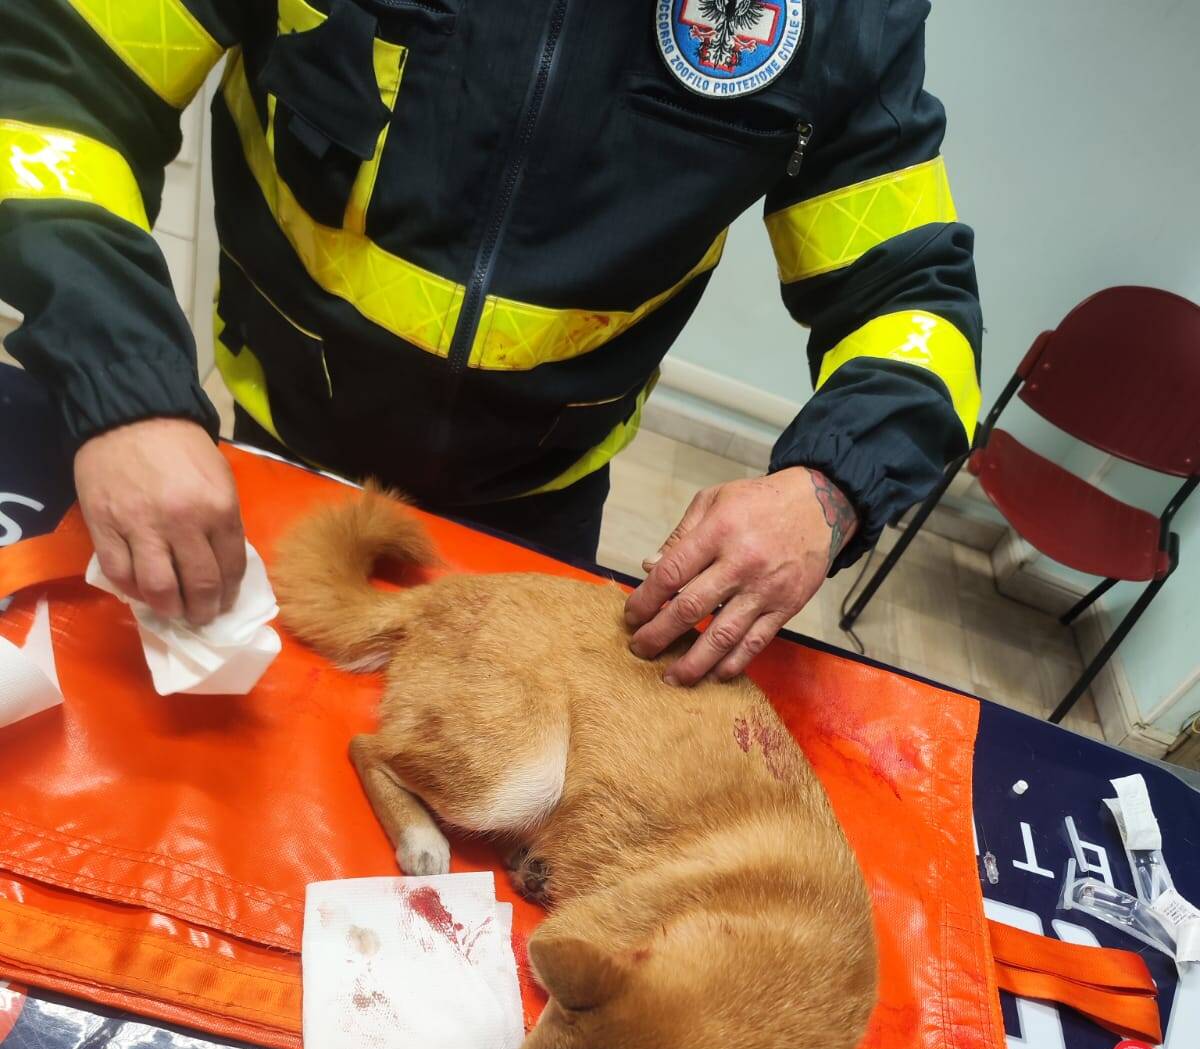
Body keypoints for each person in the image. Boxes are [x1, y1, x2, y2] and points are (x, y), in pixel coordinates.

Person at [0, 0, 981, 685]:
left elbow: (914, 295)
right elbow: (53, 92)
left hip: (537, 508)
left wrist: (830, 489)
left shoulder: (842, 15)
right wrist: (121, 379)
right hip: (271, 447)